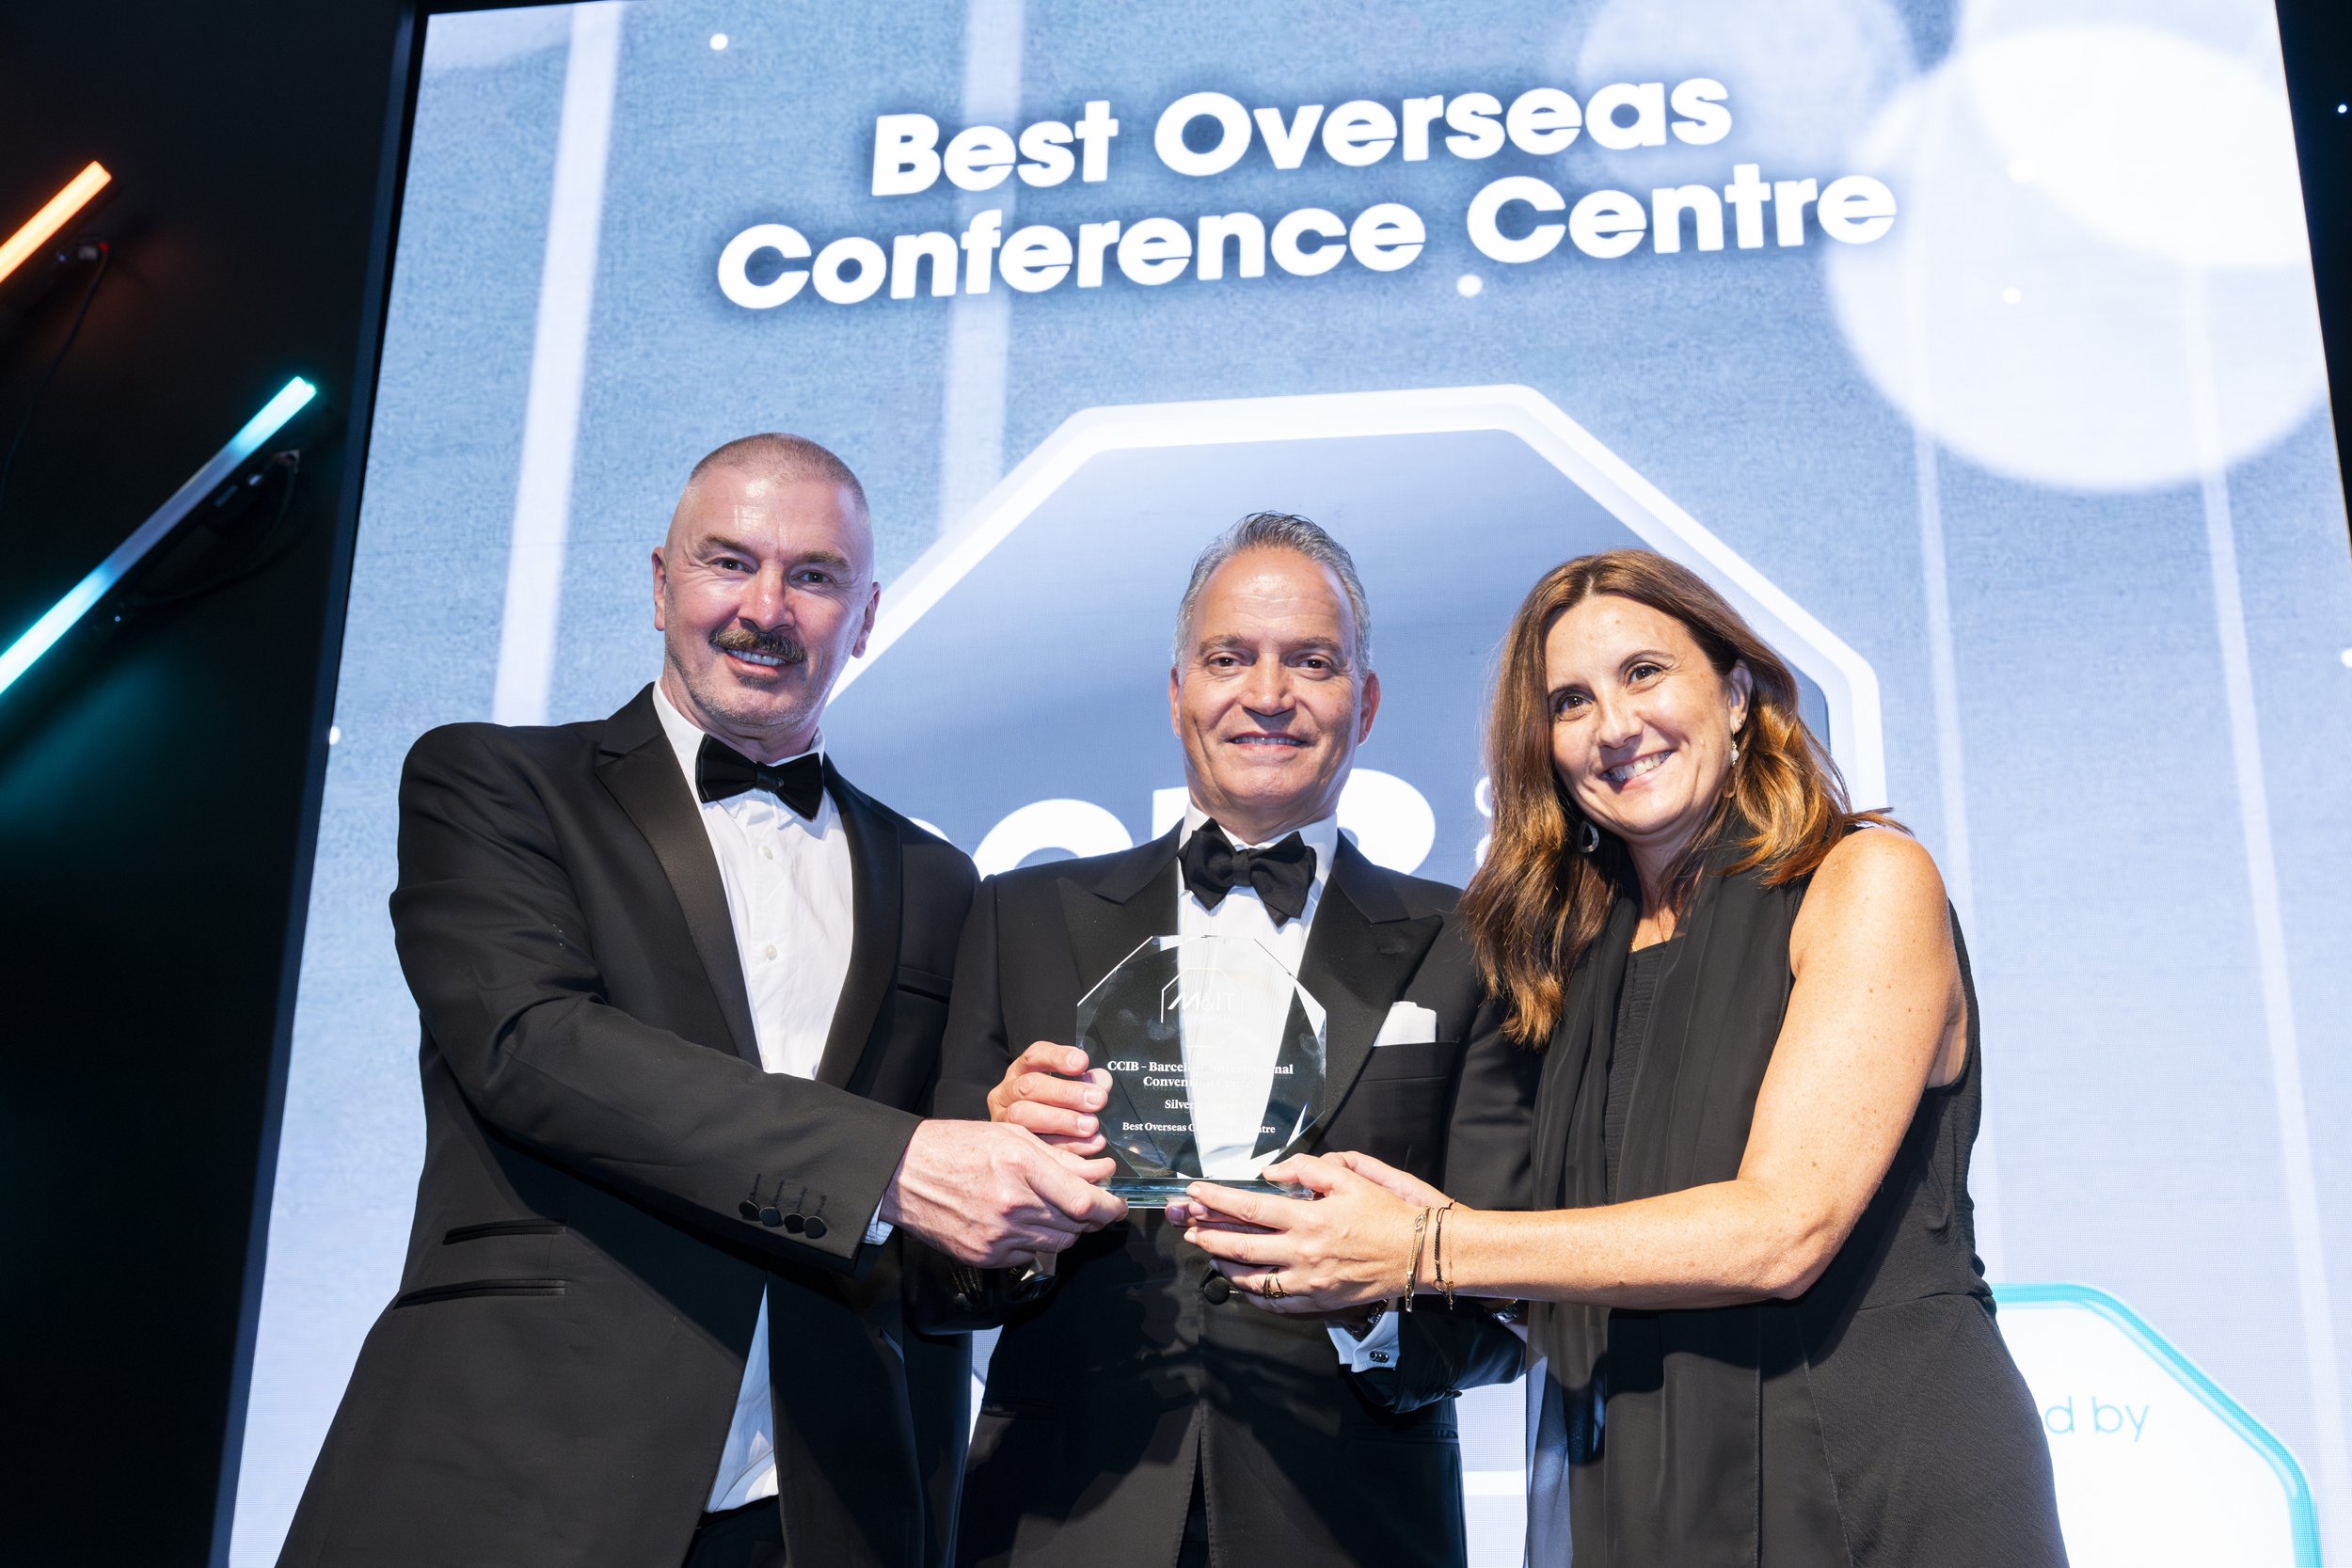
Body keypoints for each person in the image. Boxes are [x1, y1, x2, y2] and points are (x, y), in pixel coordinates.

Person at [279, 435, 1124, 1568]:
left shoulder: (936, 880)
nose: (765, 608)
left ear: (865, 616)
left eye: (813, 576)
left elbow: (929, 1251)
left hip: (823, 1508)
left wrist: (1019, 1194)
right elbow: (532, 1046)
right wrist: (890, 1161)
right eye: (730, 561)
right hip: (523, 1476)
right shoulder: (492, 782)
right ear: (660, 582)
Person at [1179, 549, 2070, 1567]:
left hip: (1873, 1466)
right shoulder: (1560, 962)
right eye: (1570, 701)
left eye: (1644, 672)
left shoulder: (1866, 879)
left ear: (1736, 693)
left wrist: (1428, 1243)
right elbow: (1587, 1260)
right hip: (1652, 1477)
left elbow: (1782, 1230)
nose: (1612, 725)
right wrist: (1361, 1250)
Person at [933, 514, 1539, 1568]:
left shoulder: (1473, 941)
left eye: (1311, 660)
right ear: (1178, 693)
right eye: (1228, 658)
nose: (1267, 693)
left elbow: (1507, 1303)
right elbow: (929, 1277)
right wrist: (1005, 1203)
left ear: (1366, 701)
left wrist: (1368, 1309)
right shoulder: (1017, 916)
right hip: (1060, 1516)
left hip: (1353, 1523)